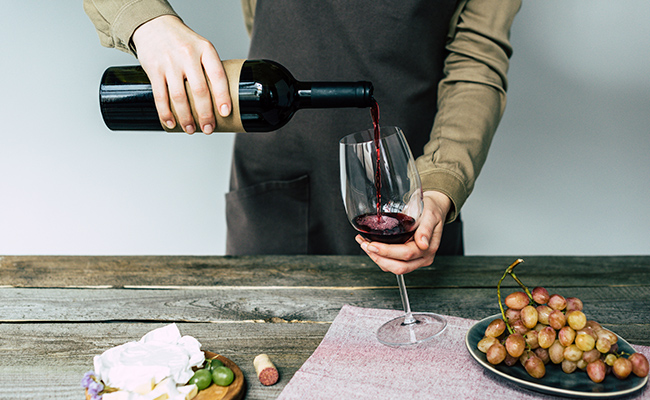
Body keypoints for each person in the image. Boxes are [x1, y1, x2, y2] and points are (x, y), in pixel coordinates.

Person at [84, 0, 521, 274]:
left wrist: (442, 184)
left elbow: (476, 62)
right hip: (276, 191)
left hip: (414, 198)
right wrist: (151, 23)